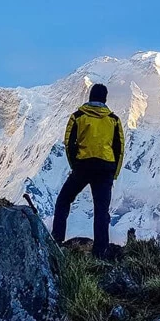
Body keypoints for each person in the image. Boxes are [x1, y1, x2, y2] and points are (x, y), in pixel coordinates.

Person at [51, 84, 125, 259]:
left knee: (63, 201)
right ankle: (100, 252)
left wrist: (75, 165)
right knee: (101, 210)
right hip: (105, 167)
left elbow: (69, 142)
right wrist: (114, 173)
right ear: (105, 99)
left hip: (83, 166)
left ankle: (57, 240)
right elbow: (119, 148)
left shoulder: (78, 116)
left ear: (89, 96)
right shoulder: (113, 120)